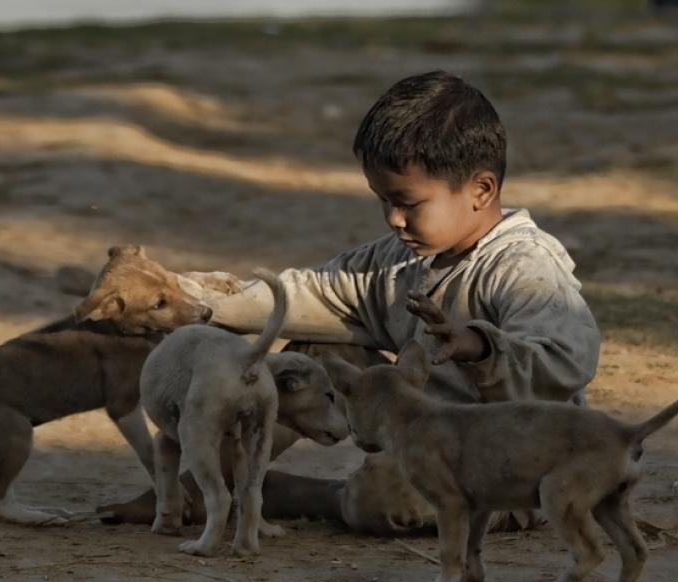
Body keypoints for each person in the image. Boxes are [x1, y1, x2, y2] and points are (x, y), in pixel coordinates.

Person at [100, 70, 600, 534]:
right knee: (311, 355)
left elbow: (568, 360)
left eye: (408, 202)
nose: (393, 220)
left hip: (508, 470)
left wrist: (476, 346)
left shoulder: (524, 265)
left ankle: (308, 496)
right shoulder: (397, 261)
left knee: (389, 498)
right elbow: (307, 294)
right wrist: (179, 297)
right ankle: (216, 483)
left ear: (481, 189)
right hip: (419, 431)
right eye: (383, 200)